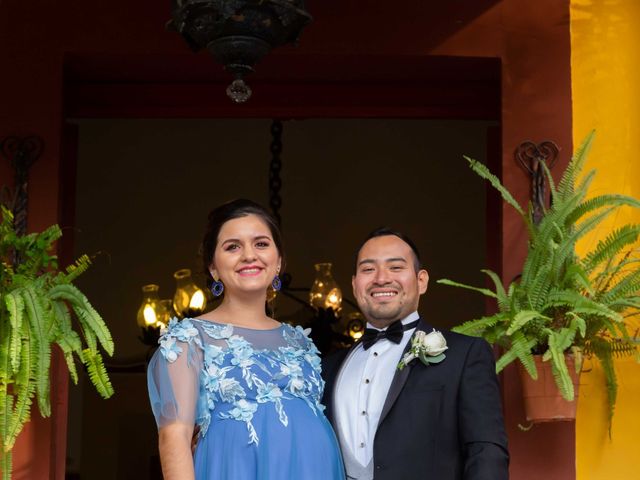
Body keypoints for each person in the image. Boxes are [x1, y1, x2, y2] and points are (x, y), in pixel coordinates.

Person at [147, 199, 345, 480]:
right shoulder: (189, 339)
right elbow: (174, 438)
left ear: (278, 262)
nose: (249, 255)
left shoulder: (300, 342)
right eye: (232, 246)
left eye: (261, 244)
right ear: (213, 268)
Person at [322, 228, 509, 480]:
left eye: (395, 267)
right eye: (368, 269)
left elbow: (486, 452)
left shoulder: (465, 356)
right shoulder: (327, 368)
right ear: (355, 285)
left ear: (421, 281)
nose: (381, 278)